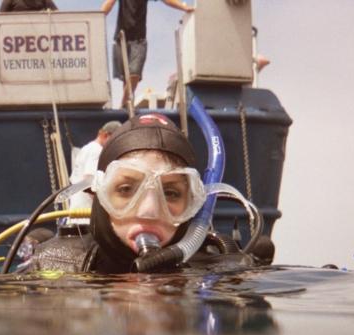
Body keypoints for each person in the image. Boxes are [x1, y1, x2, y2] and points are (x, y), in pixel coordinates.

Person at [28, 113, 267, 274]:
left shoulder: (219, 275)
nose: (149, 211)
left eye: (171, 193)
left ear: (194, 202)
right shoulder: (57, 266)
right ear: (99, 192)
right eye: (126, 189)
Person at [100, 0, 194, 109]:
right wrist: (96, 19)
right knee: (126, 81)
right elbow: (109, 4)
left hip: (139, 40)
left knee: (135, 74)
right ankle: (127, 107)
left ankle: (124, 104)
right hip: (121, 39)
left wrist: (184, 7)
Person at [68, 121, 121, 221]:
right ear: (106, 135)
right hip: (86, 212)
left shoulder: (87, 148)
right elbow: (89, 182)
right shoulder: (96, 151)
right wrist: (104, 209)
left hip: (78, 209)